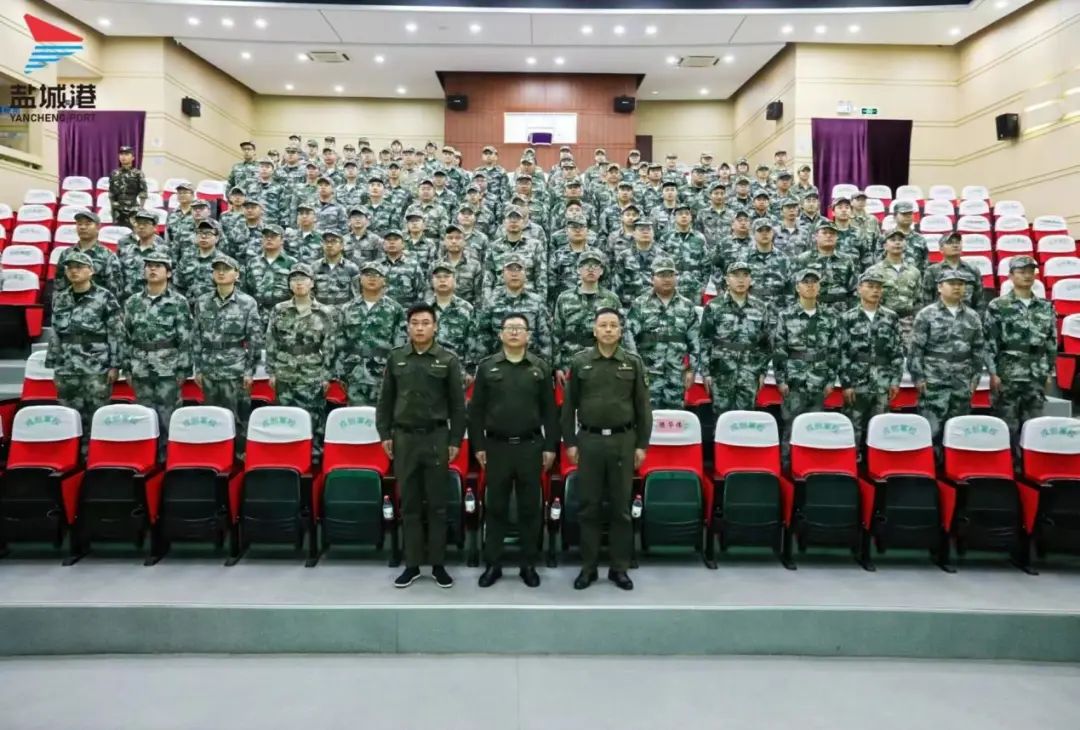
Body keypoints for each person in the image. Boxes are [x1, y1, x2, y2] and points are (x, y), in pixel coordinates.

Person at [376, 303, 467, 589]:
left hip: (436, 437)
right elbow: (386, 400)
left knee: (438, 504)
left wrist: (455, 439)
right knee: (410, 504)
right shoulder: (396, 358)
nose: (420, 328)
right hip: (404, 438)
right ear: (408, 327)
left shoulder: (447, 360)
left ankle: (438, 564)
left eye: (426, 323)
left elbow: (458, 405)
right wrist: (384, 434)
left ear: (435, 327)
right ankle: (412, 564)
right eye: (415, 323)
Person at [561, 308, 653, 591]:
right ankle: (588, 568)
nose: (609, 330)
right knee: (588, 507)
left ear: (621, 331)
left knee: (620, 508)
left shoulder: (632, 362)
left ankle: (619, 568)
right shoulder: (580, 362)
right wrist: (570, 442)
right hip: (589, 441)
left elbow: (643, 408)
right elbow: (568, 407)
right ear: (595, 330)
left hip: (623, 442)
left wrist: (642, 445)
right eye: (603, 325)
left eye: (614, 325)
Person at [469, 313, 559, 588]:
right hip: (496, 447)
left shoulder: (540, 368)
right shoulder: (487, 367)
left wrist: (550, 446)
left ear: (529, 335)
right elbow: (476, 411)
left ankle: (528, 564)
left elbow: (550, 411)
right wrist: (478, 445)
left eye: (520, 328)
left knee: (530, 508)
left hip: (531, 447)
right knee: (495, 507)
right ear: (501, 334)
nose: (515, 332)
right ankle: (493, 564)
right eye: (510, 328)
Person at [46, 252, 124, 450]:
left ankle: (94, 458)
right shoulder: (61, 298)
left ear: (91, 271)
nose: (74, 271)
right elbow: (55, 332)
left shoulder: (105, 297)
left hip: (95, 365)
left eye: (79, 267)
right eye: (70, 267)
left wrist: (115, 365)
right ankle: (71, 458)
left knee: (96, 416)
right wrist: (53, 363)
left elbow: (116, 332)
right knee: (68, 417)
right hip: (66, 366)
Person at [983, 255, 1057, 462]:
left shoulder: (1045, 306)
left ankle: (1030, 466)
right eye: (1021, 272)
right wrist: (993, 372)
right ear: (1010, 276)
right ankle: (1008, 466)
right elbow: (989, 342)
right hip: (1008, 372)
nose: (1027, 276)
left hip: (1036, 372)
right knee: (1007, 424)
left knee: (1033, 424)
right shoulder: (998, 305)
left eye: (1030, 272)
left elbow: (1051, 342)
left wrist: (1049, 371)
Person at [908, 269, 989, 456]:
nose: (957, 287)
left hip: (961, 380)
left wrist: (975, 378)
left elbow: (978, 350)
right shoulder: (926, 314)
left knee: (959, 430)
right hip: (934, 380)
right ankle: (931, 467)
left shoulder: (972, 316)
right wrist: (918, 378)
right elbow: (915, 350)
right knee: (932, 430)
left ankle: (954, 467)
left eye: (960, 284)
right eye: (952, 284)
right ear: (939, 287)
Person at [122, 253, 193, 458]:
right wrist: (127, 368)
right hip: (140, 367)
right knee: (144, 416)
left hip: (168, 368)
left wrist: (183, 369)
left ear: (168, 273)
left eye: (158, 266)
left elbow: (185, 338)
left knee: (168, 417)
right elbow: (125, 336)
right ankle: (146, 459)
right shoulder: (133, 302)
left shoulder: (178, 302)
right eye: (149, 266)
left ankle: (170, 460)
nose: (152, 269)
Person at [264, 263, 337, 453]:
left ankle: (314, 455)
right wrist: (271, 372)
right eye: (294, 279)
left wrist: (327, 376)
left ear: (312, 283)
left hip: (312, 372)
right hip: (284, 370)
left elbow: (330, 346)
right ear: (289, 284)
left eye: (303, 279)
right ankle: (287, 455)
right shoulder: (279, 309)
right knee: (285, 417)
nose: (299, 283)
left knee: (313, 416)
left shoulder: (324, 312)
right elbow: (271, 341)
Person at [191, 254, 264, 441]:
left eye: (226, 269)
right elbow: (196, 337)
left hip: (235, 369)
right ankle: (216, 452)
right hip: (209, 368)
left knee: (238, 418)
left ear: (237, 274)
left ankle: (240, 454)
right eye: (217, 269)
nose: (221, 273)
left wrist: (249, 371)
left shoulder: (247, 302)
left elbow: (254, 339)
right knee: (212, 418)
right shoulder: (203, 302)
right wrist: (198, 368)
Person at [773, 268, 842, 467]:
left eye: (814, 282)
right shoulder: (786, 315)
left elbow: (834, 350)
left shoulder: (830, 316)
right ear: (797, 287)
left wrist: (831, 380)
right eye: (806, 282)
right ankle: (787, 466)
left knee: (814, 426)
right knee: (791, 424)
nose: (810, 286)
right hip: (794, 378)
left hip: (819, 378)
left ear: (819, 287)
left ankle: (810, 466)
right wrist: (781, 380)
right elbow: (779, 349)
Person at [838, 270, 904, 453]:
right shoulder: (847, 318)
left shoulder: (891, 317)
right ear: (860, 289)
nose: (875, 290)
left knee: (880, 427)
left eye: (879, 287)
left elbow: (897, 351)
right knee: (853, 427)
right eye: (870, 286)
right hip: (857, 381)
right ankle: (854, 461)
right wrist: (846, 384)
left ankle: (877, 463)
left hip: (882, 381)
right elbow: (841, 352)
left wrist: (895, 381)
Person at [697, 261, 774, 415]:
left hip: (749, 372)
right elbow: (704, 340)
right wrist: (706, 373)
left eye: (745, 275)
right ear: (727, 279)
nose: (741, 280)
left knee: (745, 419)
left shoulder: (760, 307)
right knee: (721, 418)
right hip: (721, 372)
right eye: (736, 275)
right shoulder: (714, 306)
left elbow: (766, 344)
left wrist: (762, 372)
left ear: (750, 280)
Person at [626, 258, 700, 409]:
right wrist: (636, 368)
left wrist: (692, 370)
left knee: (674, 419)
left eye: (670, 275)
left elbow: (695, 341)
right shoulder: (640, 304)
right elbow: (629, 339)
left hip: (676, 376)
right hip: (647, 375)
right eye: (662, 275)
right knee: (647, 417)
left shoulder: (687, 306)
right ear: (652, 278)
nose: (667, 279)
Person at [333, 262, 406, 407]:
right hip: (353, 373)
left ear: (384, 280)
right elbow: (339, 342)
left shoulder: (395, 309)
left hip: (382, 373)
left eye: (377, 275)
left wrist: (396, 371)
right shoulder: (347, 308)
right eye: (367, 274)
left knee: (383, 414)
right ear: (360, 279)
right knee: (355, 416)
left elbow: (400, 344)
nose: (372, 278)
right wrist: (339, 372)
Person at [552, 249, 624, 381]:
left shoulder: (612, 299)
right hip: (570, 361)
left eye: (595, 265)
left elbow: (622, 333)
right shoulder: (564, 298)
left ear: (601, 271)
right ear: (578, 269)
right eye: (586, 265)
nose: (591, 269)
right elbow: (557, 334)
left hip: (604, 361)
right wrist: (557, 367)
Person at [863, 230, 924, 346]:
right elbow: (866, 300)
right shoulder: (873, 271)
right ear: (885, 246)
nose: (897, 243)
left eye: (900, 240)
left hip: (908, 323)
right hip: (881, 321)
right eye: (893, 240)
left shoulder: (914, 272)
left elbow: (918, 301)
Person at [243, 224, 298, 326]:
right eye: (266, 236)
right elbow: (245, 290)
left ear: (282, 240)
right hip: (256, 316)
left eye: (273, 236)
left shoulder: (292, 263)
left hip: (284, 316)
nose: (269, 239)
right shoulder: (252, 263)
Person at [117, 209, 172, 302]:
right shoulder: (126, 250)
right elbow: (118, 277)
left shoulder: (164, 251)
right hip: (128, 301)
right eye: (138, 223)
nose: (141, 227)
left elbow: (170, 279)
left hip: (155, 302)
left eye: (146, 223)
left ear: (155, 227)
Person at [922, 232, 985, 312]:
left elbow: (979, 301)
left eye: (957, 242)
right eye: (950, 243)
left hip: (967, 317)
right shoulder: (932, 271)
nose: (955, 245)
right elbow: (927, 301)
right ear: (941, 249)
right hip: (939, 317)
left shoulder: (972, 270)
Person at [311, 230, 360, 306]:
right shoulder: (314, 267)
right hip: (320, 310)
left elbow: (357, 295)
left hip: (344, 311)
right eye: (326, 242)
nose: (329, 245)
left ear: (342, 246)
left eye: (334, 241)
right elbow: (310, 293)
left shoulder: (352, 268)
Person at [108, 144, 148, 229]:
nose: (123, 157)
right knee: (117, 233)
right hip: (117, 210)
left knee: (132, 233)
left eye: (126, 154)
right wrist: (112, 208)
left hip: (132, 209)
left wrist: (141, 208)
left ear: (133, 157)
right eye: (121, 154)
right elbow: (111, 193)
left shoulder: (138, 173)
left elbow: (143, 193)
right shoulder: (114, 173)